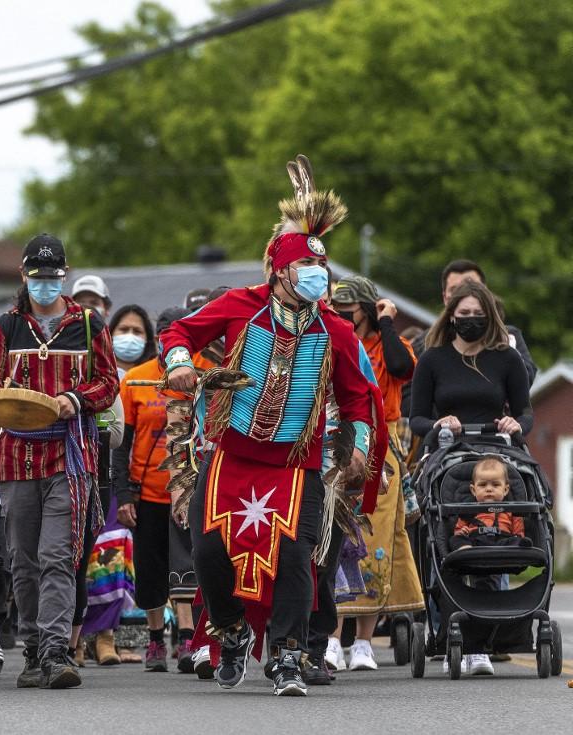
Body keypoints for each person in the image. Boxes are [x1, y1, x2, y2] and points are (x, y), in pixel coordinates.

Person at [160, 156, 385, 697]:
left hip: (296, 463)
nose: (316, 279)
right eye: (306, 270)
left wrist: (356, 448)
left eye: (322, 271)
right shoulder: (240, 306)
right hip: (231, 454)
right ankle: (231, 630)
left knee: (293, 553)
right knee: (210, 550)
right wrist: (181, 366)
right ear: (281, 272)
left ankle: (287, 654)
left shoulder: (335, 330)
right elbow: (177, 334)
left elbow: (358, 398)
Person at [0, 233, 119, 690]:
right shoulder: (4, 327)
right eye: (37, 277)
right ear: (24, 276)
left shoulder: (90, 324)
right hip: (16, 454)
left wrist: (76, 397)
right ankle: (33, 646)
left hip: (70, 454)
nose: (45, 285)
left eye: (53, 277)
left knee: (59, 554)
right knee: (22, 558)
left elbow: (109, 382)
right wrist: (10, 402)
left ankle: (57, 650)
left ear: (65, 275)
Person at [325, 276, 422, 672]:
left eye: (350, 307)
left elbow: (403, 368)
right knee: (335, 538)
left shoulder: (387, 346)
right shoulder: (329, 339)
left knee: (374, 536)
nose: (343, 314)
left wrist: (385, 322)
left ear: (366, 307)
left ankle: (364, 642)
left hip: (381, 447)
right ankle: (332, 637)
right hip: (335, 441)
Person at [113, 308, 211, 674]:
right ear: (159, 340)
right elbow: (121, 444)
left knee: (189, 565)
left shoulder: (205, 371)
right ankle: (155, 640)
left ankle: (189, 638)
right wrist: (124, 494)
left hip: (191, 489)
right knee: (150, 568)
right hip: (148, 492)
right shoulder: (137, 380)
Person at [409, 279, 533, 443]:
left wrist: (516, 424)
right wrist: (438, 424)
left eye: (479, 314)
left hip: (498, 445)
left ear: (489, 317)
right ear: (452, 316)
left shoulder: (509, 358)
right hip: (447, 447)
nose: (471, 318)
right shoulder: (430, 360)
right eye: (465, 313)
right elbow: (417, 419)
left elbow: (525, 413)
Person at [450, 457, 527, 551]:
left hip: (503, 542)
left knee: (517, 540)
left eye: (495, 485)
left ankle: (518, 547)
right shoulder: (468, 509)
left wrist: (518, 537)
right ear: (473, 490)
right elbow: (459, 529)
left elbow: (518, 531)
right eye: (482, 485)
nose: (489, 489)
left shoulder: (511, 509)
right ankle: (465, 549)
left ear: (505, 489)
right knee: (455, 539)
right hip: (475, 541)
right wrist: (462, 532)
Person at [110, 305, 158, 376]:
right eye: (124, 329)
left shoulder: (156, 374)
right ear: (110, 334)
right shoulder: (95, 372)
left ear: (147, 339)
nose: (130, 336)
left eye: (137, 331)